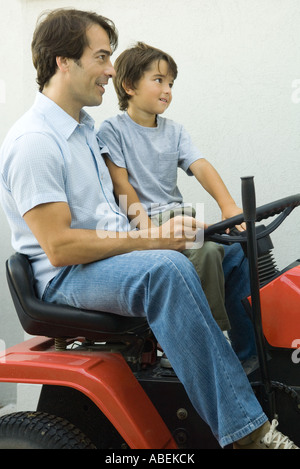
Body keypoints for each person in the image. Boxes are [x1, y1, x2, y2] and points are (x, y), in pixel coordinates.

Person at [0, 8, 297, 449]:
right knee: (166, 269)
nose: (109, 70)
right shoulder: (36, 143)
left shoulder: (82, 131)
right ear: (63, 60)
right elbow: (59, 248)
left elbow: (113, 216)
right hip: (67, 276)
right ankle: (249, 434)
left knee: (231, 249)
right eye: (101, 57)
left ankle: (252, 372)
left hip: (104, 258)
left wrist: (176, 228)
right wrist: (155, 238)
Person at [98, 42, 254, 362]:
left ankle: (249, 352)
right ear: (129, 85)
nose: (167, 90)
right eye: (159, 80)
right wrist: (145, 230)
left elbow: (201, 166)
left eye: (171, 84)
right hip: (146, 220)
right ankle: (203, 344)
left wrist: (228, 206)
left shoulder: (175, 131)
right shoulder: (113, 130)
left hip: (180, 215)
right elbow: (120, 183)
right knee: (207, 251)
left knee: (238, 250)